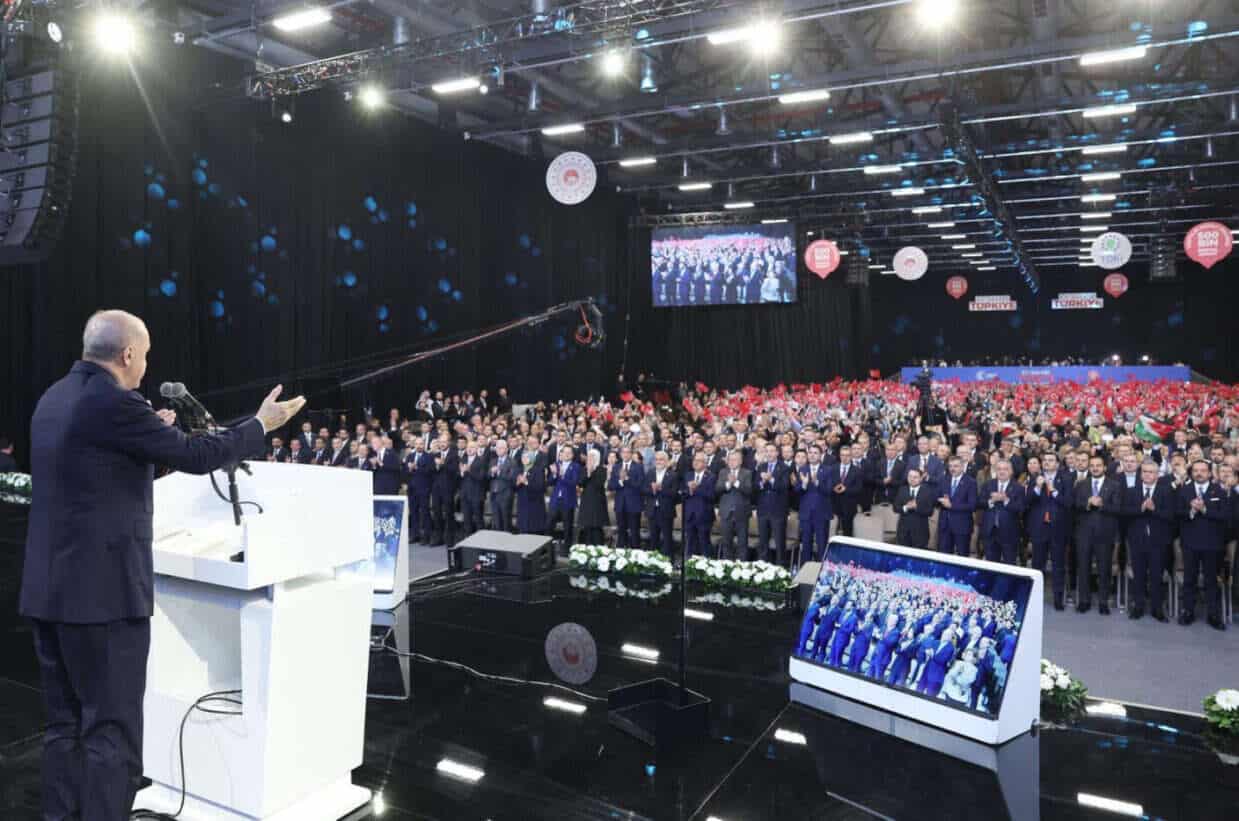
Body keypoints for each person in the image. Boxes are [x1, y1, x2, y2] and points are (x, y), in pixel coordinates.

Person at [20, 309, 304, 821]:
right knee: (111, 733)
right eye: (146, 356)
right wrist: (261, 424)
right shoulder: (116, 402)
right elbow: (198, 456)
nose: (147, 367)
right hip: (101, 600)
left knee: (65, 727)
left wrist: (152, 434)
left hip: (47, 591)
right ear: (128, 354)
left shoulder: (54, 397)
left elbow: (94, 470)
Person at [1176, 459, 1228, 630]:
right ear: (1191, 473)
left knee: (1211, 580)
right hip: (1190, 542)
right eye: (1196, 470)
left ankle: (1213, 615)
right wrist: (1191, 511)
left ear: (1210, 473)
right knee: (1189, 579)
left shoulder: (1219, 491)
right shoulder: (1184, 490)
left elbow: (1224, 516)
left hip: (1212, 544)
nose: (1199, 473)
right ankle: (1188, 612)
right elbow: (1177, 513)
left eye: (1203, 470)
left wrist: (1205, 510)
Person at [1071, 454, 1123, 614]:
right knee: (1083, 568)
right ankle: (1084, 601)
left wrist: (1102, 504)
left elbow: (1118, 508)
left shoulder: (1114, 485)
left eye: (1098, 465)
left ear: (1104, 467)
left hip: (1105, 534)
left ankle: (1103, 602)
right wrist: (1087, 503)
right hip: (1084, 533)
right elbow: (1075, 505)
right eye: (1092, 465)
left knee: (1104, 569)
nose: (1095, 468)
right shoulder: (1081, 484)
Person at [1125, 460, 1173, 621]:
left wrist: (1154, 509)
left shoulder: (1166, 491)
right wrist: (1140, 509)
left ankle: (1157, 608)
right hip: (1137, 540)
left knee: (1156, 576)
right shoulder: (1132, 491)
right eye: (1144, 471)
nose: (1147, 474)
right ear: (1140, 474)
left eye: (1151, 472)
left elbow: (1171, 515)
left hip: (1158, 541)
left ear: (1157, 475)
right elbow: (1125, 512)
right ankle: (1138, 607)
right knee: (1138, 575)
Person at [1027, 451, 1073, 610]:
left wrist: (1054, 491)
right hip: (1039, 528)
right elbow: (1027, 501)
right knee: (1037, 565)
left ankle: (1058, 599)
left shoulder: (1066, 478)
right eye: (1045, 460)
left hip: (1058, 528)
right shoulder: (1035, 478)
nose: (1047, 462)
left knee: (1058, 565)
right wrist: (1037, 488)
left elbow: (1069, 503)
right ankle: (1034, 599)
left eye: (1051, 460)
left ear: (1057, 464)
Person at [979, 459, 1026, 564]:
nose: (1002, 471)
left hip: (1009, 533)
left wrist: (1006, 500)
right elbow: (979, 503)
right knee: (991, 564)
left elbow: (1021, 508)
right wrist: (991, 501)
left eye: (1005, 469)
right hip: (990, 531)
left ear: (1011, 471)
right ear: (996, 471)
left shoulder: (1018, 488)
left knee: (1009, 564)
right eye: (999, 469)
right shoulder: (988, 485)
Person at [796, 446, 835, 563]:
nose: (812, 455)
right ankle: (805, 569)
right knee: (806, 544)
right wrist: (804, 484)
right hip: (806, 513)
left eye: (815, 453)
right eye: (810, 453)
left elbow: (829, 490)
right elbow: (796, 490)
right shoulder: (803, 469)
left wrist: (817, 483)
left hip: (821, 514)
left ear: (821, 455)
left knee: (822, 544)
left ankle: (820, 569)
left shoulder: (828, 470)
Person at [755, 443, 791, 564]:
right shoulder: (761, 466)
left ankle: (780, 567)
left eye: (771, 451)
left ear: (777, 453)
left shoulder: (784, 467)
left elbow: (785, 486)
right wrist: (762, 482)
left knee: (779, 542)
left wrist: (771, 479)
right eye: (767, 451)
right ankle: (763, 566)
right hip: (763, 509)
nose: (769, 453)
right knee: (763, 541)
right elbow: (755, 486)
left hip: (778, 510)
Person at [715, 450, 753, 561]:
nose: (732, 462)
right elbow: (717, 489)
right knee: (726, 542)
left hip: (741, 512)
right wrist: (728, 483)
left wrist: (736, 482)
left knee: (742, 543)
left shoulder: (747, 473)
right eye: (730, 460)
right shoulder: (723, 472)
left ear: (740, 461)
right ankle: (727, 564)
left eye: (735, 460)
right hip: (726, 512)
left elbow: (749, 491)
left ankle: (742, 566)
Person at [937, 456, 978, 556]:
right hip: (945, 525)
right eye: (950, 466)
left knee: (962, 555)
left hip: (962, 526)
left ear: (962, 467)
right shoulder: (943, 480)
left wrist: (952, 505)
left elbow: (972, 505)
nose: (952, 469)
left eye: (955, 466)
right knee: (944, 556)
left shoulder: (971, 482)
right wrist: (939, 500)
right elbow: (936, 498)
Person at [643, 451, 680, 555]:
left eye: (661, 459)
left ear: (667, 461)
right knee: (653, 538)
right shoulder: (650, 473)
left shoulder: (673, 475)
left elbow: (675, 494)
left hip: (666, 511)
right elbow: (644, 489)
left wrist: (661, 489)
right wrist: (653, 490)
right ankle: (653, 560)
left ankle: (668, 560)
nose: (658, 461)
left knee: (667, 538)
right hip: (652, 510)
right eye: (656, 459)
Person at [608, 446, 645, 550]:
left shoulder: (638, 467)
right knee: (621, 530)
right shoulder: (616, 467)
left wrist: (627, 479)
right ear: (620, 454)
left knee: (634, 531)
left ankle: (635, 552)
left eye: (628, 452)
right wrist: (620, 481)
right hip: (620, 504)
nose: (625, 454)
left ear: (631, 454)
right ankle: (620, 552)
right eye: (623, 452)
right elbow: (611, 485)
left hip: (634, 504)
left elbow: (641, 485)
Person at [547, 445, 583, 547]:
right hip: (555, 500)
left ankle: (567, 549)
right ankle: (547, 548)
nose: (566, 454)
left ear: (572, 455)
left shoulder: (576, 466)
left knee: (567, 527)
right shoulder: (557, 464)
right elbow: (550, 482)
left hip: (568, 501)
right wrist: (554, 474)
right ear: (561, 454)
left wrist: (562, 475)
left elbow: (574, 483)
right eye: (564, 452)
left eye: (569, 453)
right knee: (549, 524)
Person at [682, 453, 716, 557]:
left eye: (699, 461)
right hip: (689, 514)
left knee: (704, 543)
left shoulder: (711, 477)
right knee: (689, 543)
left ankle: (706, 563)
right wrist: (689, 490)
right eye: (694, 460)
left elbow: (712, 495)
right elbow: (682, 492)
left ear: (705, 463)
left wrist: (696, 488)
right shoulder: (688, 475)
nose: (695, 462)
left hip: (704, 515)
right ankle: (689, 563)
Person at [895, 468, 935, 549]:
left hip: (920, 533)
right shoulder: (902, 489)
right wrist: (906, 507)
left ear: (921, 479)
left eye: (915, 477)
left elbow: (930, 511)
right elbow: (895, 508)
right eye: (910, 476)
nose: (912, 479)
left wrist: (917, 507)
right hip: (903, 532)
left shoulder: (928, 492)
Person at [576, 449, 609, 545]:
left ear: (597, 458)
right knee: (587, 527)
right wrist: (588, 473)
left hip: (597, 502)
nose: (589, 459)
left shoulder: (602, 469)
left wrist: (592, 472)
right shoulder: (584, 469)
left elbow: (599, 484)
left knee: (596, 527)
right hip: (586, 501)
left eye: (592, 457)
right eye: (589, 457)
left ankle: (598, 547)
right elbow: (580, 483)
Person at [832, 444, 864, 538]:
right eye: (842, 455)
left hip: (849, 506)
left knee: (847, 532)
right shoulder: (833, 468)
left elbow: (859, 488)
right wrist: (833, 488)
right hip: (834, 504)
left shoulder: (857, 470)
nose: (845, 458)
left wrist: (846, 489)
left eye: (847, 455)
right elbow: (829, 484)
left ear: (851, 456)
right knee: (833, 531)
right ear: (839, 456)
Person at [487, 440, 518, 533]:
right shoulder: (493, 461)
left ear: (506, 449)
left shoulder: (512, 462)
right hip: (494, 494)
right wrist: (492, 473)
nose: (498, 450)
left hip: (505, 495)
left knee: (505, 521)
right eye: (497, 448)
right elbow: (487, 476)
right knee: (496, 521)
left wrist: (499, 471)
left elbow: (512, 478)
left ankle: (506, 540)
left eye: (501, 448)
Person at [459, 442, 488, 537]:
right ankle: (467, 540)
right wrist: (461, 472)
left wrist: (469, 470)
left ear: (476, 449)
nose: (469, 449)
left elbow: (482, 478)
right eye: (468, 447)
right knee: (466, 519)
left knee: (478, 519)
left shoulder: (482, 460)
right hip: (465, 494)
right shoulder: (463, 460)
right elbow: (458, 477)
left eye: (472, 447)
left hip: (476, 495)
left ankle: (481, 540)